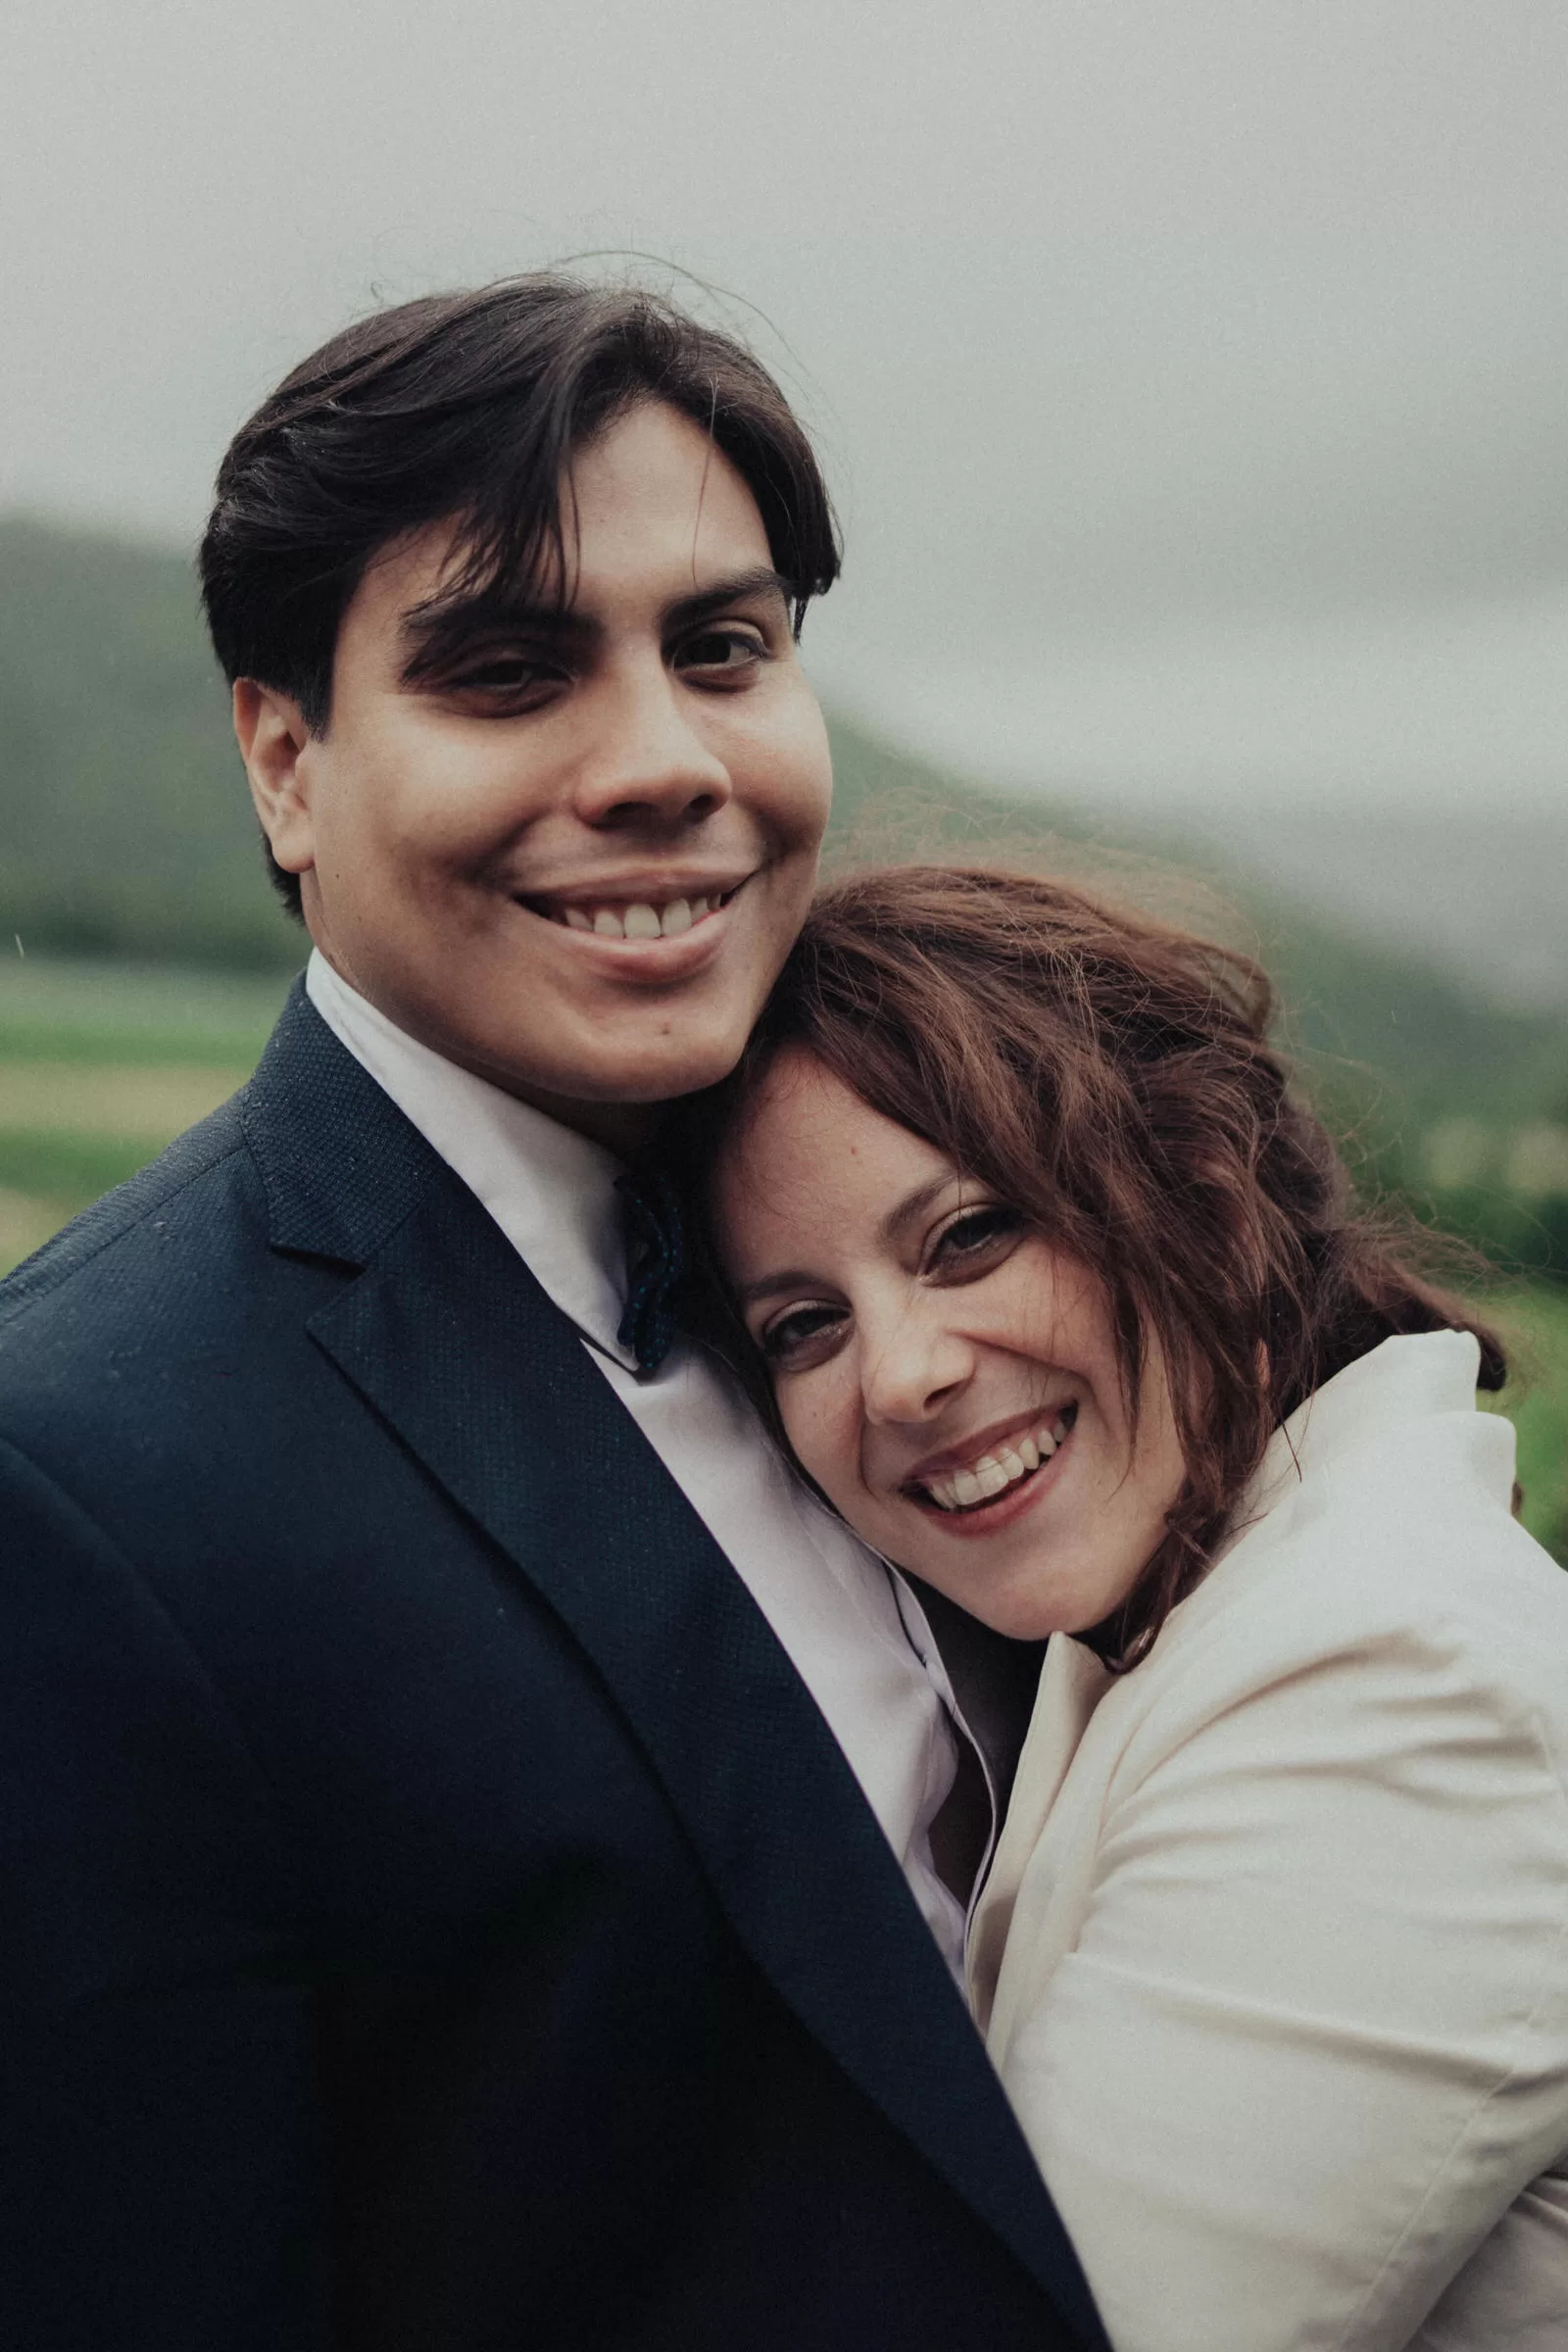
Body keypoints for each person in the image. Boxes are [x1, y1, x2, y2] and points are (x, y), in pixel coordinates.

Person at [0, 284, 1104, 2349]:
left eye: (721, 648)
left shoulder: (939, 1248)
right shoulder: (69, 1480)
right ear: (285, 765)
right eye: (508, 672)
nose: (661, 763)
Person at [700, 862, 1568, 2352]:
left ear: (1206, 1194)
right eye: (802, 1325)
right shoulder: (1193, 1605)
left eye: (969, 1236)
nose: (900, 1376)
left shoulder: (1391, 1678)